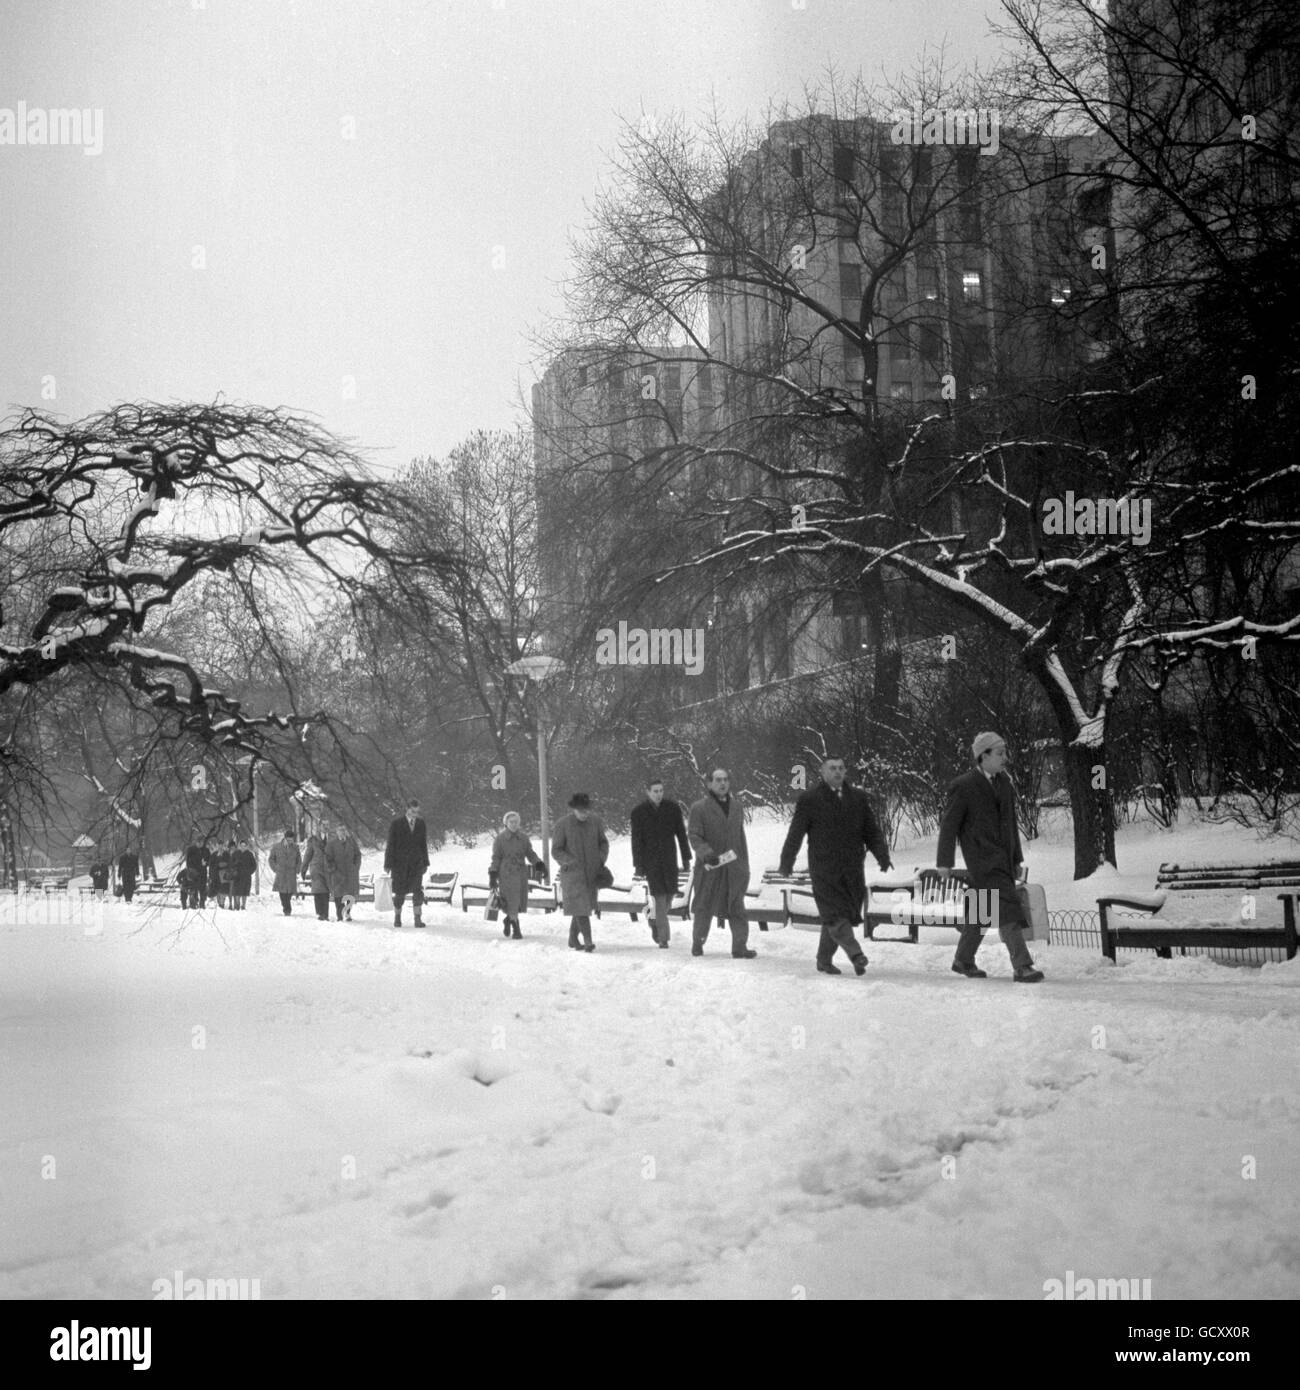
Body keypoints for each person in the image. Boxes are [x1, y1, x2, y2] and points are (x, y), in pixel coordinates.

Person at [936, 731, 1044, 984]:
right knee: (1007, 908)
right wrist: (944, 862)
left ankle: (963, 960)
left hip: (1003, 859)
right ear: (983, 756)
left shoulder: (1004, 783)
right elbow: (949, 826)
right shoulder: (963, 786)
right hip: (981, 860)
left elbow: (1010, 824)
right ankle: (1022, 966)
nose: (1005, 757)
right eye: (999, 753)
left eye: (1005, 752)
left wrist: (1016, 859)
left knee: (980, 912)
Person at [779, 755, 893, 977]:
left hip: (852, 869)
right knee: (834, 914)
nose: (838, 772)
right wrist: (787, 861)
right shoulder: (810, 799)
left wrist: (882, 855)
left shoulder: (858, 798)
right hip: (824, 869)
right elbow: (796, 833)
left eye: (841, 768)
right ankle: (856, 954)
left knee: (843, 913)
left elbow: (871, 830)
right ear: (823, 772)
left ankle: (823, 959)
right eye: (832, 768)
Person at [686, 768, 756, 960]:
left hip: (733, 868)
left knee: (737, 907)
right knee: (704, 907)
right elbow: (694, 835)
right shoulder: (699, 808)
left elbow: (740, 838)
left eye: (725, 779)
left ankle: (740, 947)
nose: (722, 783)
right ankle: (698, 942)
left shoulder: (737, 807)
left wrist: (743, 866)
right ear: (709, 784)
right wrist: (707, 855)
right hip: (710, 867)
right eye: (718, 780)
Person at [630, 777, 691, 948]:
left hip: (670, 859)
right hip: (651, 862)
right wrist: (639, 865)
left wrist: (686, 858)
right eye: (655, 791)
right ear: (648, 792)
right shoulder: (638, 812)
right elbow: (636, 841)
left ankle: (653, 919)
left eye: (661, 791)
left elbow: (681, 835)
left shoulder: (672, 808)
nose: (658, 794)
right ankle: (664, 938)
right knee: (660, 898)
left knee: (669, 896)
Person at [550, 792, 608, 952]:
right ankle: (588, 941)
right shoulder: (563, 824)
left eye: (587, 810)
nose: (585, 813)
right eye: (582, 810)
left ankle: (572, 938)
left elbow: (603, 843)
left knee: (583, 906)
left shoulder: (595, 822)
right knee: (581, 906)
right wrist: (569, 861)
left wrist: (600, 859)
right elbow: (556, 850)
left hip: (591, 872)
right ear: (574, 809)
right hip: (573, 874)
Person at [489, 811, 547, 940]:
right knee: (511, 901)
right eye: (511, 822)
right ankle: (516, 928)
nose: (514, 824)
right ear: (506, 823)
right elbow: (496, 858)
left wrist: (539, 864)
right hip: (506, 874)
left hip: (521, 873)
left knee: (518, 901)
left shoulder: (523, 838)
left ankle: (508, 920)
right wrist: (493, 874)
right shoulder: (500, 839)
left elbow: (530, 853)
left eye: (516, 822)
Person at [384, 799, 429, 929]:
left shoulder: (421, 824)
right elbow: (390, 845)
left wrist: (425, 862)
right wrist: (388, 864)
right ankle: (397, 917)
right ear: (407, 809)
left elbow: (423, 844)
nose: (415, 814)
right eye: (412, 811)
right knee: (399, 893)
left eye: (417, 812)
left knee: (418, 892)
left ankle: (417, 919)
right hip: (399, 865)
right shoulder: (396, 824)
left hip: (416, 864)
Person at [325, 824, 362, 922]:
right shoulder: (332, 843)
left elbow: (358, 855)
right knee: (338, 896)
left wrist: (356, 867)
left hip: (350, 873)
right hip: (337, 873)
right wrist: (332, 868)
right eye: (340, 830)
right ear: (337, 832)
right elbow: (328, 858)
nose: (342, 832)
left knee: (350, 895)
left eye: (343, 830)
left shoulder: (351, 842)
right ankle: (340, 915)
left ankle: (348, 912)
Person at [268, 829, 301, 917]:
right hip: (281, 873)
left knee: (289, 892)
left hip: (291, 873)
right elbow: (271, 859)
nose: (290, 842)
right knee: (282, 893)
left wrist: (298, 869)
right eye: (289, 840)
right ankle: (287, 909)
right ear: (285, 838)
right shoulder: (276, 847)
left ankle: (287, 907)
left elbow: (299, 860)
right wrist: (275, 868)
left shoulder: (295, 847)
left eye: (292, 840)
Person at [301, 827, 331, 922]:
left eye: (327, 824)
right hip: (316, 869)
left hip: (328, 869)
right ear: (320, 826)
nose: (326, 827)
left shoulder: (332, 838)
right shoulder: (313, 840)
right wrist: (303, 869)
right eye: (324, 824)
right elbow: (308, 855)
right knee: (318, 891)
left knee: (326, 892)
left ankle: (324, 914)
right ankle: (321, 913)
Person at [182, 836, 209, 909]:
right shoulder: (191, 850)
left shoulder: (206, 850)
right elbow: (188, 862)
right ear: (196, 842)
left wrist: (205, 863)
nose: (201, 844)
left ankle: (202, 903)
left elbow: (209, 860)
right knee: (194, 889)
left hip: (203, 873)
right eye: (199, 842)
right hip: (194, 873)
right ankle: (194, 903)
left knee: (203, 889)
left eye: (202, 842)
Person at [230, 838, 257, 910]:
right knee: (237, 891)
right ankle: (237, 905)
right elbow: (231, 864)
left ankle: (243, 905)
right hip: (237, 876)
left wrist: (249, 872)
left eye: (244, 846)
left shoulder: (250, 854)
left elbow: (254, 866)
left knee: (245, 891)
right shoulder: (235, 854)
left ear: (246, 846)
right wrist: (234, 869)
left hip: (246, 876)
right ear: (239, 846)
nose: (243, 847)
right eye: (241, 845)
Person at [207, 842, 226, 908]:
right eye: (219, 845)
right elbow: (210, 865)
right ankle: (219, 903)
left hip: (224, 875)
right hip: (215, 875)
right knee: (217, 889)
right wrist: (210, 875)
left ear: (223, 846)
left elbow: (229, 863)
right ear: (217, 846)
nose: (220, 847)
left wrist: (223, 865)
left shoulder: (226, 854)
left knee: (223, 889)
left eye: (221, 845)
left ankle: (222, 903)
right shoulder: (213, 855)